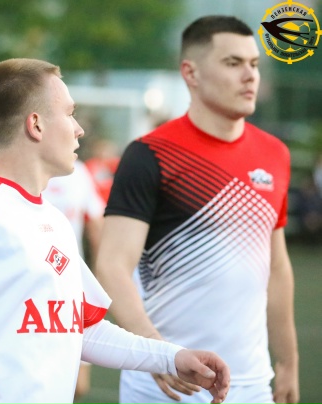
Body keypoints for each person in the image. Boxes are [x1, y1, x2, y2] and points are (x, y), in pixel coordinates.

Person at [0, 58, 230, 404]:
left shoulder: (53, 220)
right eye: (69, 113)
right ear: (35, 125)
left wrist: (172, 357)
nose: (80, 129)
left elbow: (79, 329)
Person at [95, 16, 299, 404]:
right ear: (190, 73)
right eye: (232, 63)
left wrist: (288, 362)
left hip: (253, 386)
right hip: (166, 388)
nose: (250, 76)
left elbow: (277, 267)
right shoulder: (149, 155)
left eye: (254, 64)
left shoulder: (275, 154)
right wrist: (157, 353)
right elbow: (112, 265)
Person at [43, 159, 105, 399]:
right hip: (33, 287)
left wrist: (98, 278)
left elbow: (96, 225)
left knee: (78, 385)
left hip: (71, 283)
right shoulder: (20, 172)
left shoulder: (78, 173)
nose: (77, 139)